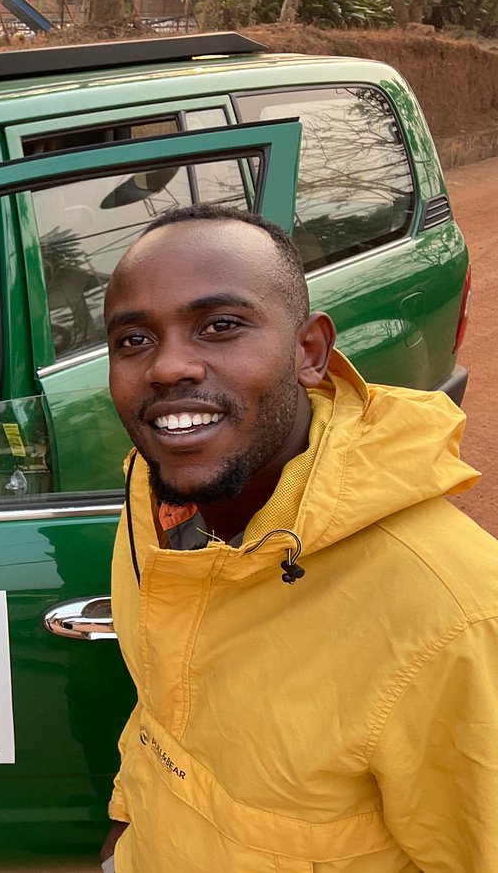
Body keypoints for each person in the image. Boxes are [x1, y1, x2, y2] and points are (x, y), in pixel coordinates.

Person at [98, 204, 498, 871]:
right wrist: (125, 835)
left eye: (220, 326)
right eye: (133, 340)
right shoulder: (155, 503)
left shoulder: (453, 614)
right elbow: (164, 715)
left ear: (309, 352)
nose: (168, 367)